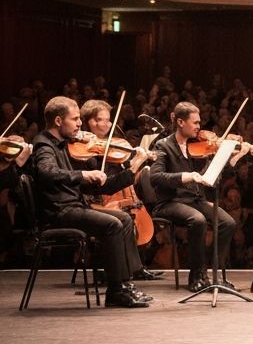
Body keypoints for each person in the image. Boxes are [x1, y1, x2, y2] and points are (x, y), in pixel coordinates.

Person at [30, 97, 152, 307]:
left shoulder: (64, 145)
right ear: (58, 121)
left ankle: (123, 285)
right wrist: (83, 175)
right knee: (112, 224)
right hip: (59, 211)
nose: (80, 124)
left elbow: (95, 186)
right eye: (75, 119)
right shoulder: (44, 144)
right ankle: (115, 292)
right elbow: (45, 172)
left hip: (73, 205)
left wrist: (131, 170)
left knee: (123, 218)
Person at [149, 101, 238, 292]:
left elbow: (209, 176)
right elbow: (155, 177)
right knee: (197, 220)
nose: (199, 127)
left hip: (194, 200)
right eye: (195, 122)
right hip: (170, 202)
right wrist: (185, 176)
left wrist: (227, 158)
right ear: (181, 122)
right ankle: (197, 276)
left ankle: (212, 273)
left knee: (227, 223)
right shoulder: (163, 145)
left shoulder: (197, 147)